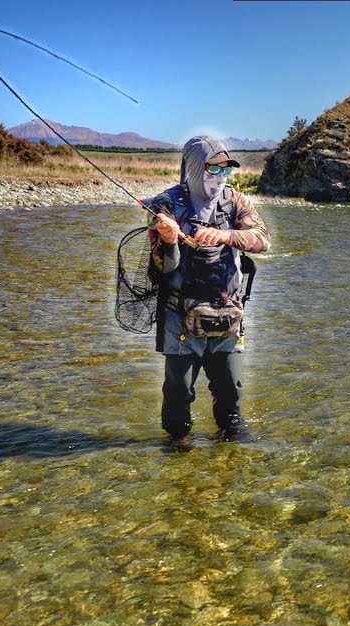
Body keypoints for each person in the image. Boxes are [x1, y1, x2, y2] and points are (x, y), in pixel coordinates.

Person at [144, 136, 271, 448]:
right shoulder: (165, 205)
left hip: (228, 312)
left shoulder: (238, 202)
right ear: (197, 167)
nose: (221, 177)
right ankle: (178, 438)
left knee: (230, 387)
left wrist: (224, 235)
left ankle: (231, 436)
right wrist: (169, 238)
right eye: (215, 169)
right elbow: (162, 266)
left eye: (226, 171)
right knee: (178, 390)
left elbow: (263, 240)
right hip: (179, 315)